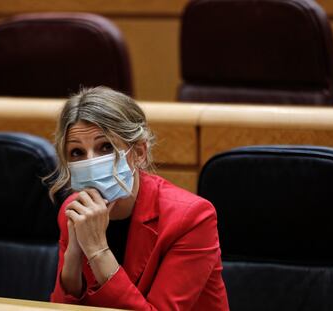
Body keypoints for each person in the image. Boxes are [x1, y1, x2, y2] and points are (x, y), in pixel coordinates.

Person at [48, 86, 229, 310]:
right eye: (77, 152)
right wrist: (74, 252)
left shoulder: (191, 218)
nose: (91, 163)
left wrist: (97, 250)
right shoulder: (74, 209)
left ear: (139, 153)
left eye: (106, 147)